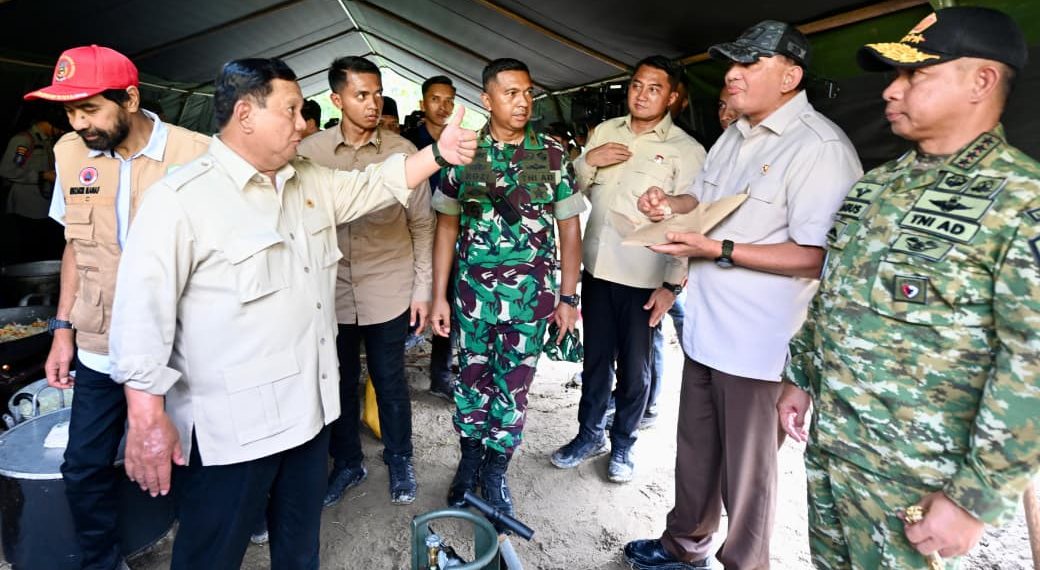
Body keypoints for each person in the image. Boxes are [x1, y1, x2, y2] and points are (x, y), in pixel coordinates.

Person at [106, 57, 475, 569]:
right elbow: (140, 319)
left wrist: (437, 153)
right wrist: (146, 418)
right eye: (292, 111)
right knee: (211, 555)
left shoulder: (308, 180)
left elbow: (375, 183)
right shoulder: (181, 201)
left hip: (308, 417)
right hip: (233, 432)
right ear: (245, 114)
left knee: (299, 551)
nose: (304, 123)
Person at [778, 7, 1040, 568]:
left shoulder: (1022, 200)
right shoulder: (877, 186)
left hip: (919, 480)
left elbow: (1031, 363)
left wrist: (975, 498)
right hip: (835, 447)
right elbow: (835, 294)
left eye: (915, 74)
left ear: (982, 81)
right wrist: (799, 377)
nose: (891, 91)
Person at [622, 21, 862, 569]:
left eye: (749, 64)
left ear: (790, 77)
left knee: (747, 477)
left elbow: (819, 256)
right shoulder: (735, 135)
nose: (732, 75)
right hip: (707, 330)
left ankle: (744, 563)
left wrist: (719, 248)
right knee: (696, 451)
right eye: (732, 63)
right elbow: (701, 201)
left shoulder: (820, 148)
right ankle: (684, 546)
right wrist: (670, 204)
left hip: (759, 347)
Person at [23, 44, 211, 570]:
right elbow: (74, 247)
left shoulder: (198, 155)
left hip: (181, 345)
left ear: (129, 98)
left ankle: (202, 546)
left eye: (89, 109)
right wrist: (62, 329)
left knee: (196, 458)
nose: (79, 123)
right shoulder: (69, 153)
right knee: (83, 465)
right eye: (69, 111)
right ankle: (102, 560)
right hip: (99, 341)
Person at [430, 58, 583, 520]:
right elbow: (446, 227)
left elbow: (569, 229)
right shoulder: (464, 152)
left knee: (513, 389)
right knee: (470, 382)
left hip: (530, 303)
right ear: (486, 99)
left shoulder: (550, 154)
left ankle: (496, 471)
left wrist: (568, 298)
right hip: (474, 299)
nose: (523, 102)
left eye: (528, 92)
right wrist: (438, 296)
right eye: (511, 93)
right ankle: (469, 460)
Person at [551, 55, 705, 483]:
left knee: (636, 371)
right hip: (598, 271)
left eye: (654, 88)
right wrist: (588, 160)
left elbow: (690, 222)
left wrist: (672, 285)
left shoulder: (686, 151)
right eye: (637, 85)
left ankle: (623, 444)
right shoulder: (605, 132)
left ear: (672, 97)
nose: (642, 95)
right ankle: (588, 435)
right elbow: (569, 189)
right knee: (595, 362)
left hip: (645, 278)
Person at [297, 56, 434, 507]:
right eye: (361, 95)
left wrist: (422, 289)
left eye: (377, 94)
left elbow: (423, 225)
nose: (373, 104)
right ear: (336, 100)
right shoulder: (309, 154)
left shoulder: (404, 154)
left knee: (388, 378)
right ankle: (348, 462)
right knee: (337, 380)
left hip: (387, 286)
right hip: (329, 291)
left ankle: (400, 457)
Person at [404, 74, 458, 399]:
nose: (443, 106)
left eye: (449, 100)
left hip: (450, 236)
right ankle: (394, 370)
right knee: (404, 302)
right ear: (423, 103)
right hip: (412, 236)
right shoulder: (408, 143)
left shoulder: (461, 142)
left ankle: (441, 374)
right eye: (436, 99)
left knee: (446, 300)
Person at [0, 104, 63, 263]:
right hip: (27, 206)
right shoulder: (24, 140)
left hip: (41, 205)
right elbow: (8, 170)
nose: (61, 132)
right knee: (29, 249)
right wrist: (42, 176)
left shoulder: (46, 141)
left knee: (42, 246)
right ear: (49, 123)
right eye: (60, 128)